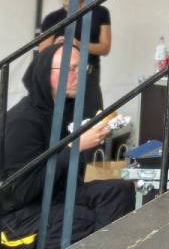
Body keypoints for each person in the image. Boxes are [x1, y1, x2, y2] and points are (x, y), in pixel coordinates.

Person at [0, 44, 135, 245]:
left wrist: (95, 133)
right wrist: (74, 147)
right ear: (46, 73)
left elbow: (71, 170)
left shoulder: (66, 109)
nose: (79, 76)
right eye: (70, 69)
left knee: (120, 191)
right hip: (17, 212)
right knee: (80, 219)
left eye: (82, 68)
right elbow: (22, 192)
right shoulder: (22, 121)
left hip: (56, 194)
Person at [39, 0, 111, 119]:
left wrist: (79, 44)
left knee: (91, 120)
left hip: (88, 77)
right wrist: (56, 45)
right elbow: (42, 50)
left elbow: (105, 47)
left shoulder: (100, 13)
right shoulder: (53, 18)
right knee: (60, 122)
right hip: (60, 79)